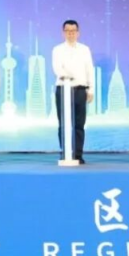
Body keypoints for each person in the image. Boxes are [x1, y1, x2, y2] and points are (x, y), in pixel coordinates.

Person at [52, 20, 94, 164]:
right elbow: (58, 68)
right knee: (63, 124)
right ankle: (65, 153)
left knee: (79, 124)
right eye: (68, 31)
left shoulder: (84, 49)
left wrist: (90, 89)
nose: (71, 33)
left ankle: (78, 154)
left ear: (78, 33)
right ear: (63, 32)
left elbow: (89, 70)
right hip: (63, 89)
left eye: (73, 31)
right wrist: (70, 76)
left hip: (80, 90)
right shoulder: (57, 50)